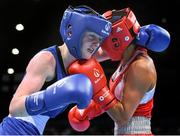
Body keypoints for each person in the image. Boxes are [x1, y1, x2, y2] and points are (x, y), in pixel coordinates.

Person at [0, 5, 112, 135]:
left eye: (99, 39)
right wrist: (49, 96)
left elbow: (115, 50)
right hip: (14, 130)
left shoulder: (84, 57)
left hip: (34, 132)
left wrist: (133, 32)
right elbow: (14, 107)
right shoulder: (46, 60)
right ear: (72, 32)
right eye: (92, 36)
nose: (96, 44)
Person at [68, 7, 170, 135]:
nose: (100, 43)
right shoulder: (127, 58)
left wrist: (99, 90)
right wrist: (89, 110)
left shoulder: (140, 66)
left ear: (116, 41)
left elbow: (122, 117)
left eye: (103, 39)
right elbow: (112, 101)